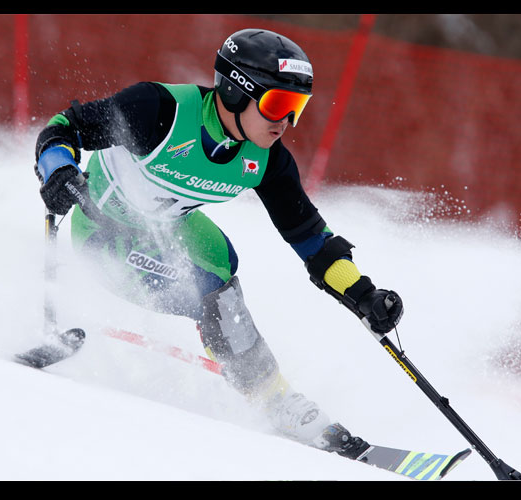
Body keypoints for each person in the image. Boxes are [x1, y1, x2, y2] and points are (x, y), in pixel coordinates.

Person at [33, 28, 404, 458]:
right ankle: (273, 399)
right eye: (278, 104)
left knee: (223, 262)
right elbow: (63, 128)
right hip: (105, 237)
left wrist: (363, 294)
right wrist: (58, 171)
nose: (286, 122)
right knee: (212, 292)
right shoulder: (159, 111)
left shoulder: (270, 160)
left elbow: (313, 243)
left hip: (166, 230)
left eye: (296, 108)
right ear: (235, 91)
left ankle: (255, 378)